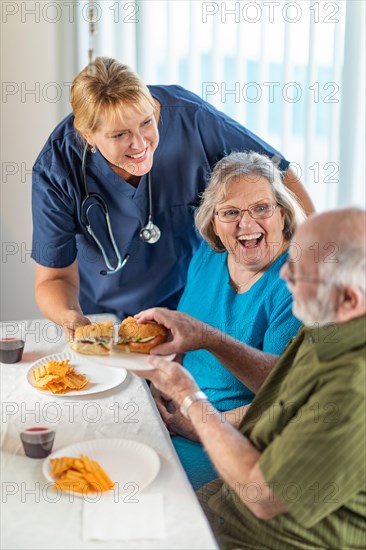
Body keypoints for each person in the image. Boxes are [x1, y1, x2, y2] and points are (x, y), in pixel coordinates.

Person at [31, 57, 314, 337]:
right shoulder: (56, 168)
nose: (140, 144)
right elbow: (54, 278)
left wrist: (315, 257)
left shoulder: (192, 120)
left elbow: (279, 173)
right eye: (120, 135)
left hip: (185, 298)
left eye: (146, 122)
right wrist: (73, 319)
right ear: (88, 135)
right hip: (101, 314)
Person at [134, 207, 366, 549]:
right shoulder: (333, 322)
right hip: (226, 503)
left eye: (300, 273)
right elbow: (279, 382)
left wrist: (189, 398)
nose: (284, 275)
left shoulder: (354, 392)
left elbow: (261, 495)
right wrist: (204, 335)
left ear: (349, 299)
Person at [135, 150, 305, 489]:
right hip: (177, 413)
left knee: (145, 496)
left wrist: (195, 421)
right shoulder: (210, 255)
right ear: (214, 221)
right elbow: (181, 337)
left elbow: (283, 400)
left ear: (282, 214)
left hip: (234, 442)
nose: (247, 224)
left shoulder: (297, 285)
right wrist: (160, 390)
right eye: (230, 212)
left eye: (261, 208)